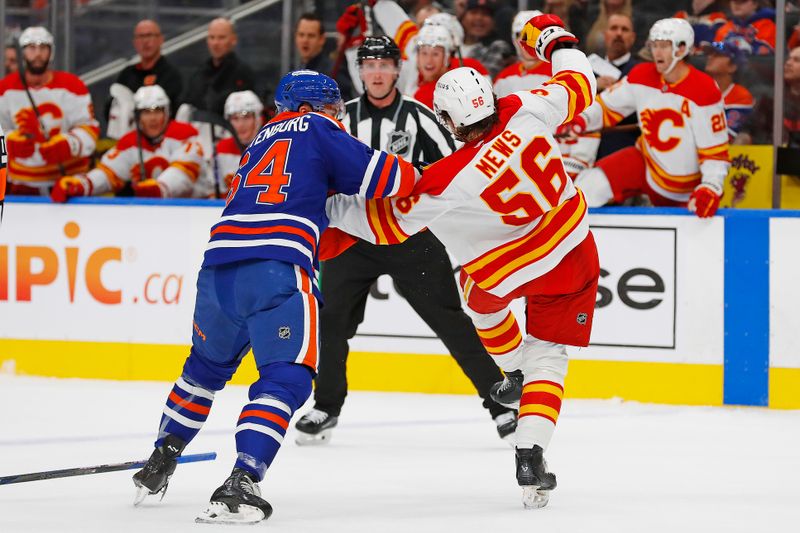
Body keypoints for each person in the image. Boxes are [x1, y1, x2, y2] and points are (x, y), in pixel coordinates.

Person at [326, 14, 599, 509]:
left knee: (477, 294)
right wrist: (553, 36)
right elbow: (580, 78)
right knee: (551, 359)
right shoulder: (528, 107)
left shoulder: (448, 176)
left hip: (506, 268)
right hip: (571, 251)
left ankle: (511, 370)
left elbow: (380, 225)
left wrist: (321, 207)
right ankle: (529, 450)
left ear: (449, 122)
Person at [130, 70, 418, 525]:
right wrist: (414, 170)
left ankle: (161, 456)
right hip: (277, 268)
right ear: (310, 108)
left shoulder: (259, 139)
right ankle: (243, 478)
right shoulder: (316, 127)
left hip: (218, 270)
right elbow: (386, 178)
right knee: (287, 380)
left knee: (203, 371)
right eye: (331, 108)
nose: (335, 116)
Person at [293, 36, 516, 445]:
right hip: (352, 237)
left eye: (384, 64)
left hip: (411, 235)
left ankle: (499, 403)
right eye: (369, 65)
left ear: (398, 70)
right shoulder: (338, 118)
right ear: (359, 71)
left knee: (451, 319)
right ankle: (325, 406)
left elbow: (455, 161)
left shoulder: (419, 114)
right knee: (332, 323)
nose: (377, 72)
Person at [572, 18, 730, 218]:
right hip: (646, 163)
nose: (657, 52)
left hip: (686, 187)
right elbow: (605, 107)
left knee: (697, 222)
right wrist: (581, 119)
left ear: (682, 49)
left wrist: (711, 186)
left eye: (664, 46)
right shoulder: (641, 75)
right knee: (587, 189)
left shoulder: (704, 90)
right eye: (654, 46)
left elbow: (715, 152)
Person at [50, 85, 209, 201]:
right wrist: (83, 185)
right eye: (146, 112)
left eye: (157, 111)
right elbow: (108, 173)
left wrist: (160, 188)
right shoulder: (130, 142)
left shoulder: (184, 134)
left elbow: (184, 173)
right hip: (151, 215)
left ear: (166, 113)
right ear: (137, 116)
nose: (152, 118)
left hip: (192, 211)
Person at [0, 27, 99, 196]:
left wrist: (69, 144)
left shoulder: (72, 86)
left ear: (51, 52)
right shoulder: (5, 89)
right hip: (21, 185)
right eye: (32, 48)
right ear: (22, 53)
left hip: (65, 183)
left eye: (43, 48)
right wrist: (8, 142)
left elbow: (90, 129)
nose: (38, 54)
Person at [181, 18, 255, 117]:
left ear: (233, 40)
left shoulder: (243, 74)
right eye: (212, 37)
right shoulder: (198, 74)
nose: (215, 43)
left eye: (221, 37)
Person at [112, 20, 183, 118]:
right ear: (134, 42)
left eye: (149, 35)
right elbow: (111, 109)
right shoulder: (126, 75)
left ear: (161, 39)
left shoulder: (172, 76)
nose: (145, 41)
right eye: (141, 36)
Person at [594, 13, 641, 160]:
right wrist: (593, 86)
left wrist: (618, 95)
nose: (619, 33)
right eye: (614, 28)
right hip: (585, 148)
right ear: (605, 35)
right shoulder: (587, 69)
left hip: (623, 147)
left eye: (624, 29)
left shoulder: (640, 72)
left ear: (632, 38)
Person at [736, 46, 800, 147]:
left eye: (797, 60)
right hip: (771, 157)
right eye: (789, 59)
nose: (788, 63)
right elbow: (748, 131)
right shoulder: (771, 99)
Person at [214, 90, 264, 196]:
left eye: (246, 117)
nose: (241, 125)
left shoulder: (272, 145)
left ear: (258, 118)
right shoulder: (221, 148)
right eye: (235, 118)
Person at [295, 12, 354, 101]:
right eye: (301, 35)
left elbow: (345, 106)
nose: (305, 40)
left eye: (311, 36)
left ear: (322, 39)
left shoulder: (334, 72)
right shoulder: (296, 72)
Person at [702, 39, 754, 140]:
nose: (710, 57)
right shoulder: (695, 90)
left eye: (717, 55)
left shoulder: (741, 95)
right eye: (710, 54)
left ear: (732, 67)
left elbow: (725, 135)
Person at [493, 10, 550, 98]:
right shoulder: (503, 77)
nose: (528, 41)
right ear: (515, 39)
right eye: (522, 35)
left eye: (534, 34)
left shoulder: (559, 72)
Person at [459, 0, 514, 77]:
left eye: (485, 14)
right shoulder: (451, 45)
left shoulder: (498, 46)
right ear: (463, 17)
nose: (479, 18)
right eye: (474, 12)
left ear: (493, 22)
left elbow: (482, 78)